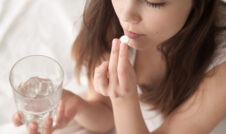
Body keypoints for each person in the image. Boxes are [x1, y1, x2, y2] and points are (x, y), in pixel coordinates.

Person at [12, 0, 226, 134]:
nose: (126, 15)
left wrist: (125, 101)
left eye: (154, 2)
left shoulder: (221, 68)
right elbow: (106, 113)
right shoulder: (110, 18)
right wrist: (79, 106)